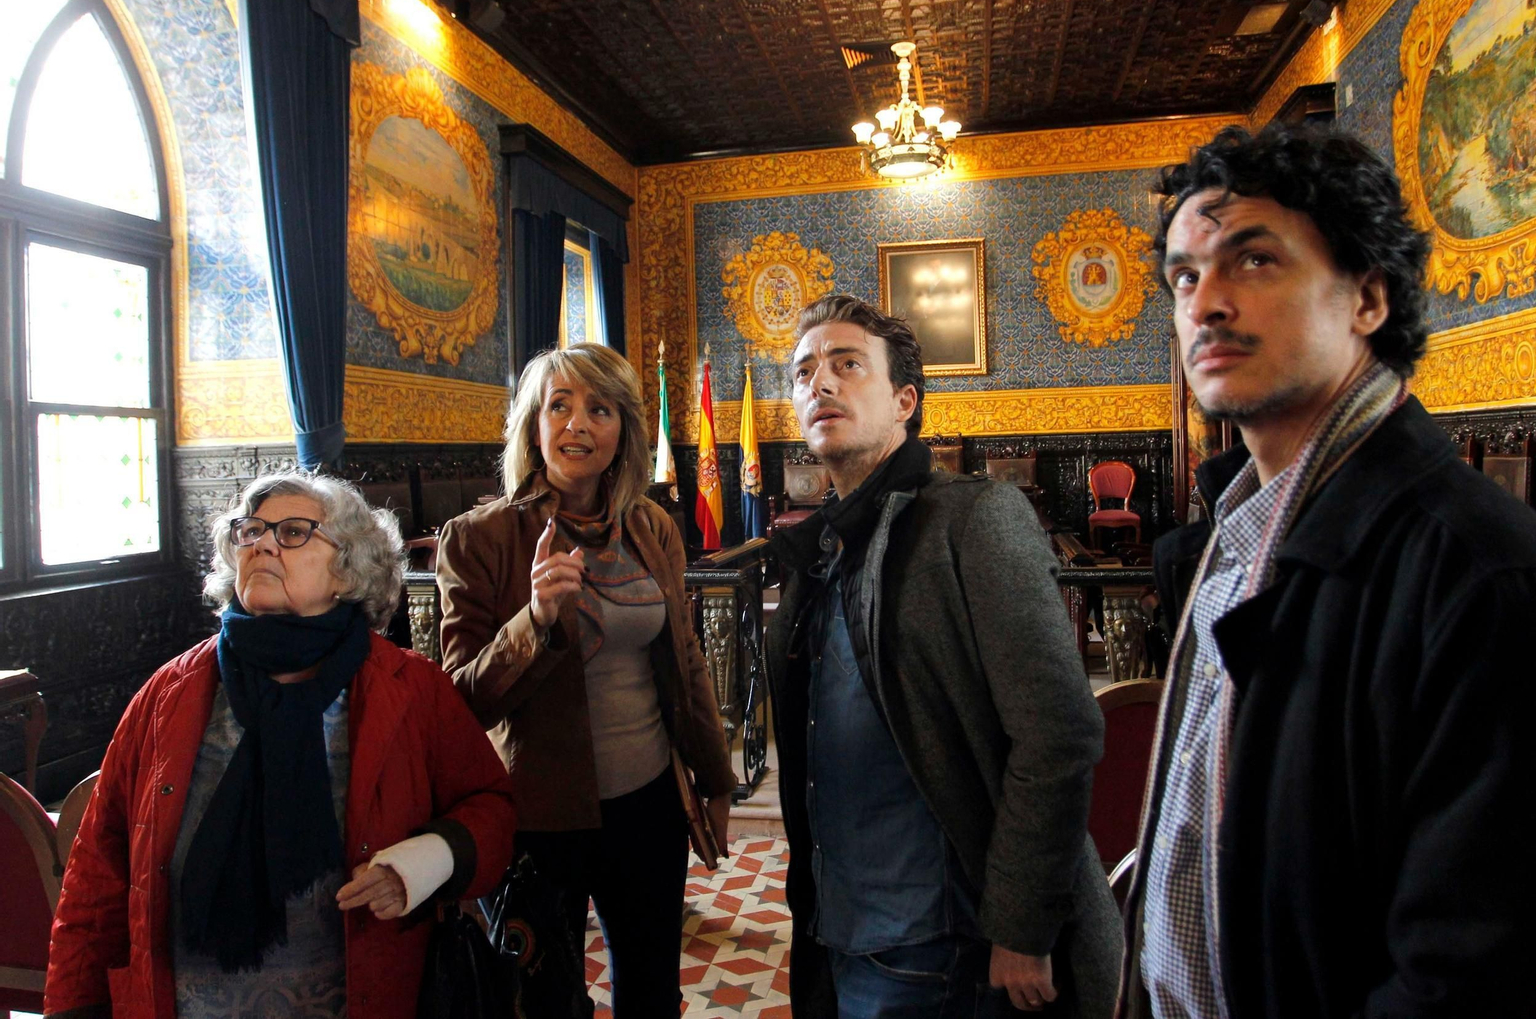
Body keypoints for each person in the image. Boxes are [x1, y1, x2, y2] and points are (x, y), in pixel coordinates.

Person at [1119, 122, 1536, 1018]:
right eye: (1185, 276)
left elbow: (1495, 977)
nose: (1205, 304)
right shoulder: (1228, 541)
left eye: (1252, 261)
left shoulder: (1490, 580)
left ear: (1367, 298)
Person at [45, 472, 516, 1018]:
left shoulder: (410, 689)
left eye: (293, 532)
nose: (263, 543)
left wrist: (424, 862)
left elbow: (492, 809)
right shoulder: (170, 694)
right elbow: (97, 874)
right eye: (251, 531)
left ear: (347, 569)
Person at [767, 294, 1121, 1019]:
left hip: (945, 941)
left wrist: (1022, 925)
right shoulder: (823, 546)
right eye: (804, 372)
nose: (820, 384)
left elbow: (1058, 733)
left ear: (905, 401)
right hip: (844, 926)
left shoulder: (973, 518)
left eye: (846, 365)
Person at [437, 341, 738, 1016]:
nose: (577, 425)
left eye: (598, 409)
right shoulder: (479, 538)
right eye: (559, 407)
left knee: (653, 990)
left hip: (650, 806)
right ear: (534, 425)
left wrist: (714, 778)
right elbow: (462, 700)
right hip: (539, 819)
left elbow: (686, 660)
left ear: (623, 429)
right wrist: (536, 619)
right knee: (545, 1002)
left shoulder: (652, 526)